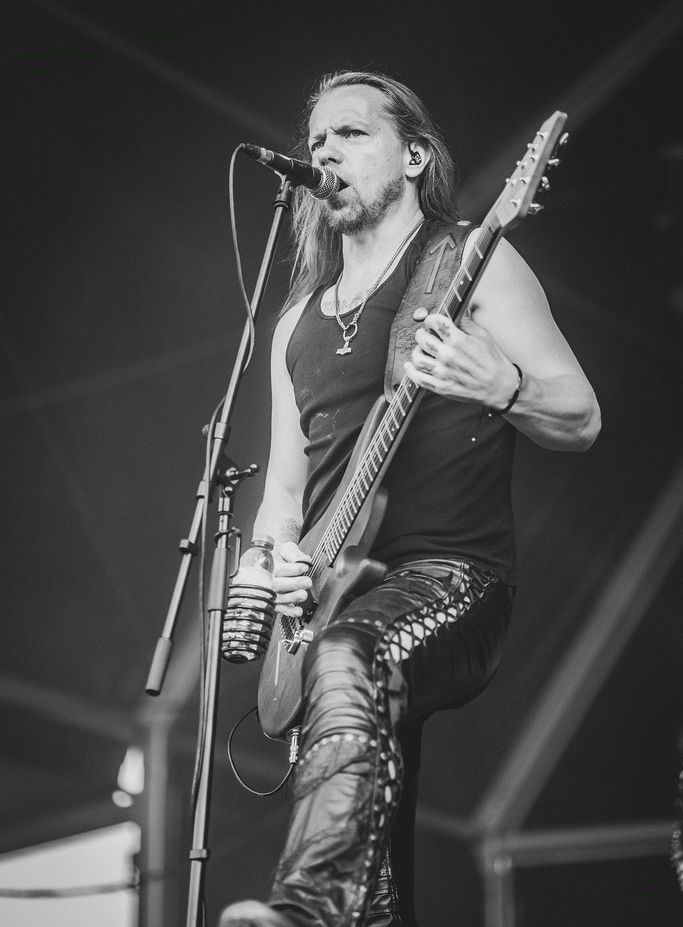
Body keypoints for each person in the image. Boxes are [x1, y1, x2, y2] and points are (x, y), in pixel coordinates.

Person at [220, 71, 601, 927]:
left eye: (352, 133)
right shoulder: (293, 323)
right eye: (318, 139)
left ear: (415, 157)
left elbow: (581, 416)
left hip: (452, 576)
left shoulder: (470, 260)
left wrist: (502, 385)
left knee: (348, 655)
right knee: (374, 851)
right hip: (330, 602)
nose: (326, 151)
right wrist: (273, 560)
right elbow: (284, 491)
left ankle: (308, 908)